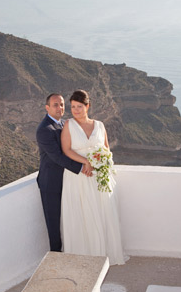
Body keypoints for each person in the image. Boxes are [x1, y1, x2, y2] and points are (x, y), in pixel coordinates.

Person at [60, 90, 127, 265]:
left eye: (79, 107)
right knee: (82, 213)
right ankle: (84, 254)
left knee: (101, 212)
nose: (75, 110)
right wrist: (85, 163)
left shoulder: (99, 125)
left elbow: (106, 149)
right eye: (73, 107)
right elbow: (66, 150)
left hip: (98, 176)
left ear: (88, 106)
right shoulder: (69, 125)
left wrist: (101, 164)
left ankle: (103, 254)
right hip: (79, 177)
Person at [36, 93, 93, 252]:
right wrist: (82, 167)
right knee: (53, 222)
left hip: (68, 180)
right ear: (47, 108)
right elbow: (57, 157)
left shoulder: (64, 124)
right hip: (51, 182)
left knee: (70, 217)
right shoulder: (44, 129)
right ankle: (55, 255)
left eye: (61, 104)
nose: (60, 108)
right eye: (55, 105)